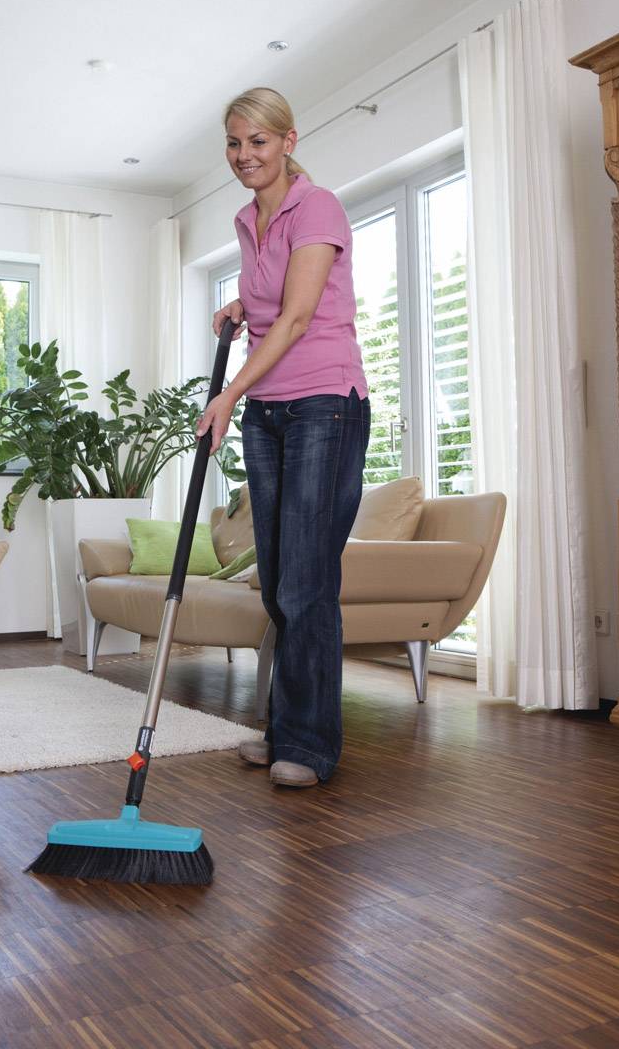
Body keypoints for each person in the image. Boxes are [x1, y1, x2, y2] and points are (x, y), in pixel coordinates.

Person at [196, 86, 370, 787]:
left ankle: (310, 743)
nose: (245, 156)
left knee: (306, 581)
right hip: (268, 411)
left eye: (258, 142)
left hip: (324, 403)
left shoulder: (317, 204)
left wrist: (226, 393)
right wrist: (243, 302)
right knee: (278, 582)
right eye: (234, 144)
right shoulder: (248, 218)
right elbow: (274, 301)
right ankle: (288, 728)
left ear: (289, 141)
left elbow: (299, 317)